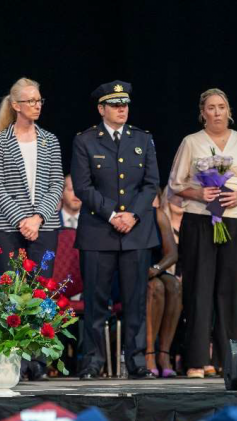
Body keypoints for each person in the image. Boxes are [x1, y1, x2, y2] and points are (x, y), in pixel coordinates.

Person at [168, 88, 237, 379]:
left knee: (229, 291)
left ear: (228, 110)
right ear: (203, 112)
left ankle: (228, 361)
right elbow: (176, 184)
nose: (216, 112)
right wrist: (200, 193)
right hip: (199, 220)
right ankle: (197, 361)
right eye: (210, 107)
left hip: (235, 220)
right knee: (198, 290)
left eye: (221, 107)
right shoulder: (191, 142)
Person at [71, 80, 159, 380]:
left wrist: (132, 214)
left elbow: (150, 184)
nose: (122, 109)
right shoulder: (86, 141)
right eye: (115, 105)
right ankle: (93, 360)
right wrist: (112, 214)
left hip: (136, 230)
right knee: (96, 301)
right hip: (99, 230)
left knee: (135, 301)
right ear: (101, 109)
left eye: (125, 104)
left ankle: (136, 360)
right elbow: (82, 186)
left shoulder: (143, 139)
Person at [0, 77, 64, 277]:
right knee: (9, 293)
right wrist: (22, 220)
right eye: (31, 101)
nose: (37, 106)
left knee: (41, 292)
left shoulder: (51, 140)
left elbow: (57, 184)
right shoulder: (0, 141)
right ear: (16, 105)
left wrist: (37, 219)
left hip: (44, 225)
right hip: (8, 227)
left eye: (39, 100)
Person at [145, 192, 182, 377]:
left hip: (155, 268)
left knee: (174, 286)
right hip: (128, 273)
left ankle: (164, 354)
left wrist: (156, 268)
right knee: (156, 287)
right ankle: (149, 353)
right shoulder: (125, 215)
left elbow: (172, 254)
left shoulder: (158, 215)